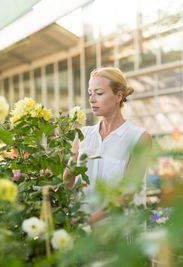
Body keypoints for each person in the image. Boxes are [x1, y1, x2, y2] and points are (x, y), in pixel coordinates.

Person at [64, 67, 152, 225]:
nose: (91, 99)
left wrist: (87, 221)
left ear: (119, 96)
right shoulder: (82, 135)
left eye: (99, 93)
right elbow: (68, 183)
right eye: (90, 93)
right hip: (83, 233)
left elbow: (126, 194)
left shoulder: (139, 138)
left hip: (120, 236)